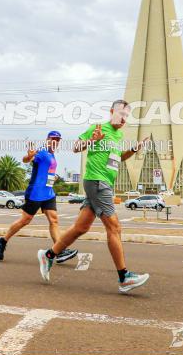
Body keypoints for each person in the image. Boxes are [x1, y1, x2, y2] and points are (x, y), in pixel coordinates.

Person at [38, 100, 150, 293]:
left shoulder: (118, 135)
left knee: (81, 227)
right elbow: (76, 147)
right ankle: (124, 277)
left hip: (103, 182)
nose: (123, 119)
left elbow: (118, 158)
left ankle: (48, 255)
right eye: (120, 114)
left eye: (126, 116)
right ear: (111, 112)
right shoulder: (97, 128)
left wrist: (134, 149)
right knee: (114, 227)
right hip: (97, 181)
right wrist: (93, 140)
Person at [0, 131, 77, 263]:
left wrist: (53, 177)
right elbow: (27, 159)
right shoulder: (42, 152)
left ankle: (59, 251)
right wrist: (29, 157)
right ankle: (2, 240)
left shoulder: (52, 154)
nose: (55, 141)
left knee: (54, 220)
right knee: (25, 220)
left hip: (48, 192)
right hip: (36, 192)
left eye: (58, 139)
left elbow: (47, 171)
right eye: (53, 139)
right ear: (47, 139)